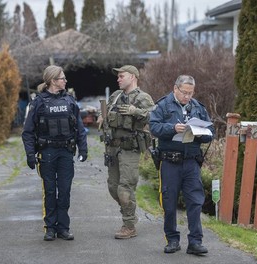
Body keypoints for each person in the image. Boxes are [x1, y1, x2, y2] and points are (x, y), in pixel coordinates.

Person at [149, 75, 214, 255]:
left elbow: (211, 132)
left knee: (195, 202)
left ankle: (195, 242)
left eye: (190, 93)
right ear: (175, 89)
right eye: (184, 92)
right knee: (169, 202)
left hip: (191, 162)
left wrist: (201, 133)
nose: (187, 96)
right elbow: (153, 127)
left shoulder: (198, 107)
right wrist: (172, 128)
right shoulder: (163, 105)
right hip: (170, 161)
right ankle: (172, 240)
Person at [22, 65, 88, 241]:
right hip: (47, 153)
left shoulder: (70, 101)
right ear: (53, 81)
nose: (65, 81)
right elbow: (28, 132)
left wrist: (83, 148)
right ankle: (50, 228)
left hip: (66, 152)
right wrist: (30, 154)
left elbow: (80, 128)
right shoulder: (38, 103)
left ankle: (63, 228)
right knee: (50, 191)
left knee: (65, 191)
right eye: (62, 78)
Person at [97, 65, 154, 239]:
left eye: (122, 76)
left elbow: (155, 117)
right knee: (113, 187)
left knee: (125, 187)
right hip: (113, 149)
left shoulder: (142, 98)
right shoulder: (115, 96)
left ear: (133, 77)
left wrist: (135, 111)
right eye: (118, 77)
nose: (118, 79)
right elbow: (107, 114)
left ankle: (129, 225)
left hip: (130, 149)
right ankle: (130, 213)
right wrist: (102, 116)